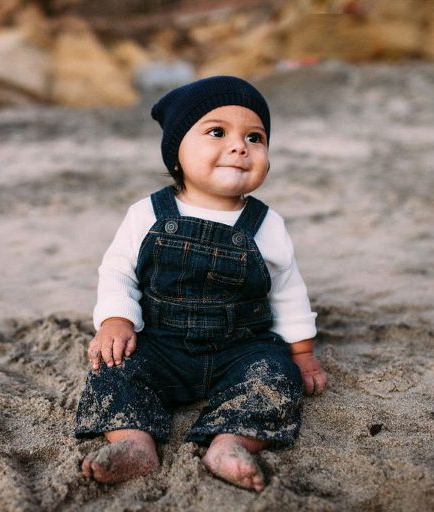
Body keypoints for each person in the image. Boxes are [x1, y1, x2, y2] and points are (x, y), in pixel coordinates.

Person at [74, 76, 327, 492]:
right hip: (161, 344)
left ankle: (229, 444)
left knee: (276, 377)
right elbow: (118, 270)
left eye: (255, 137)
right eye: (217, 132)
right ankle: (134, 443)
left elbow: (288, 290)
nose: (239, 146)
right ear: (176, 156)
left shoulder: (266, 224)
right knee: (113, 371)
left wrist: (302, 353)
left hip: (241, 347)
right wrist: (116, 320)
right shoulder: (147, 213)